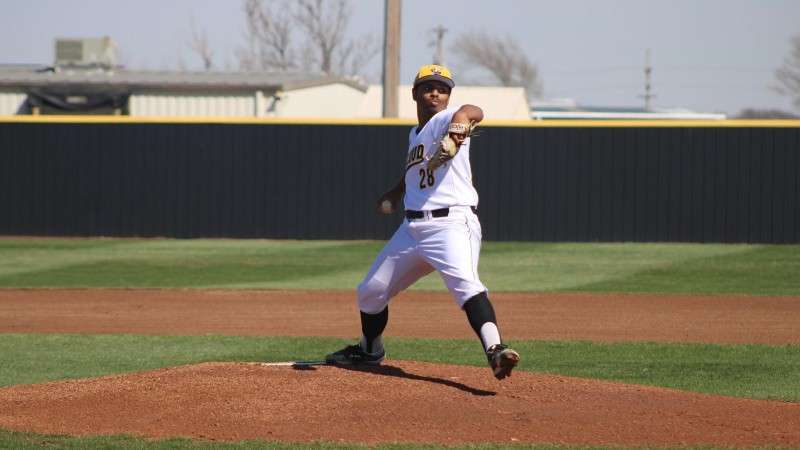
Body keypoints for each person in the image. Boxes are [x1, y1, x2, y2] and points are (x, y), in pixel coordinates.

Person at [325, 64, 520, 380]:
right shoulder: (415, 134)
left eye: (442, 89)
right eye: (429, 88)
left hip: (451, 224)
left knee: (467, 286)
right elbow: (416, 172)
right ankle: (370, 350)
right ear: (415, 93)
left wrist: (458, 129)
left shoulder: (447, 119)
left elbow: (473, 111)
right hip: (412, 230)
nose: (436, 94)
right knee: (370, 292)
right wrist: (395, 192)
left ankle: (496, 350)